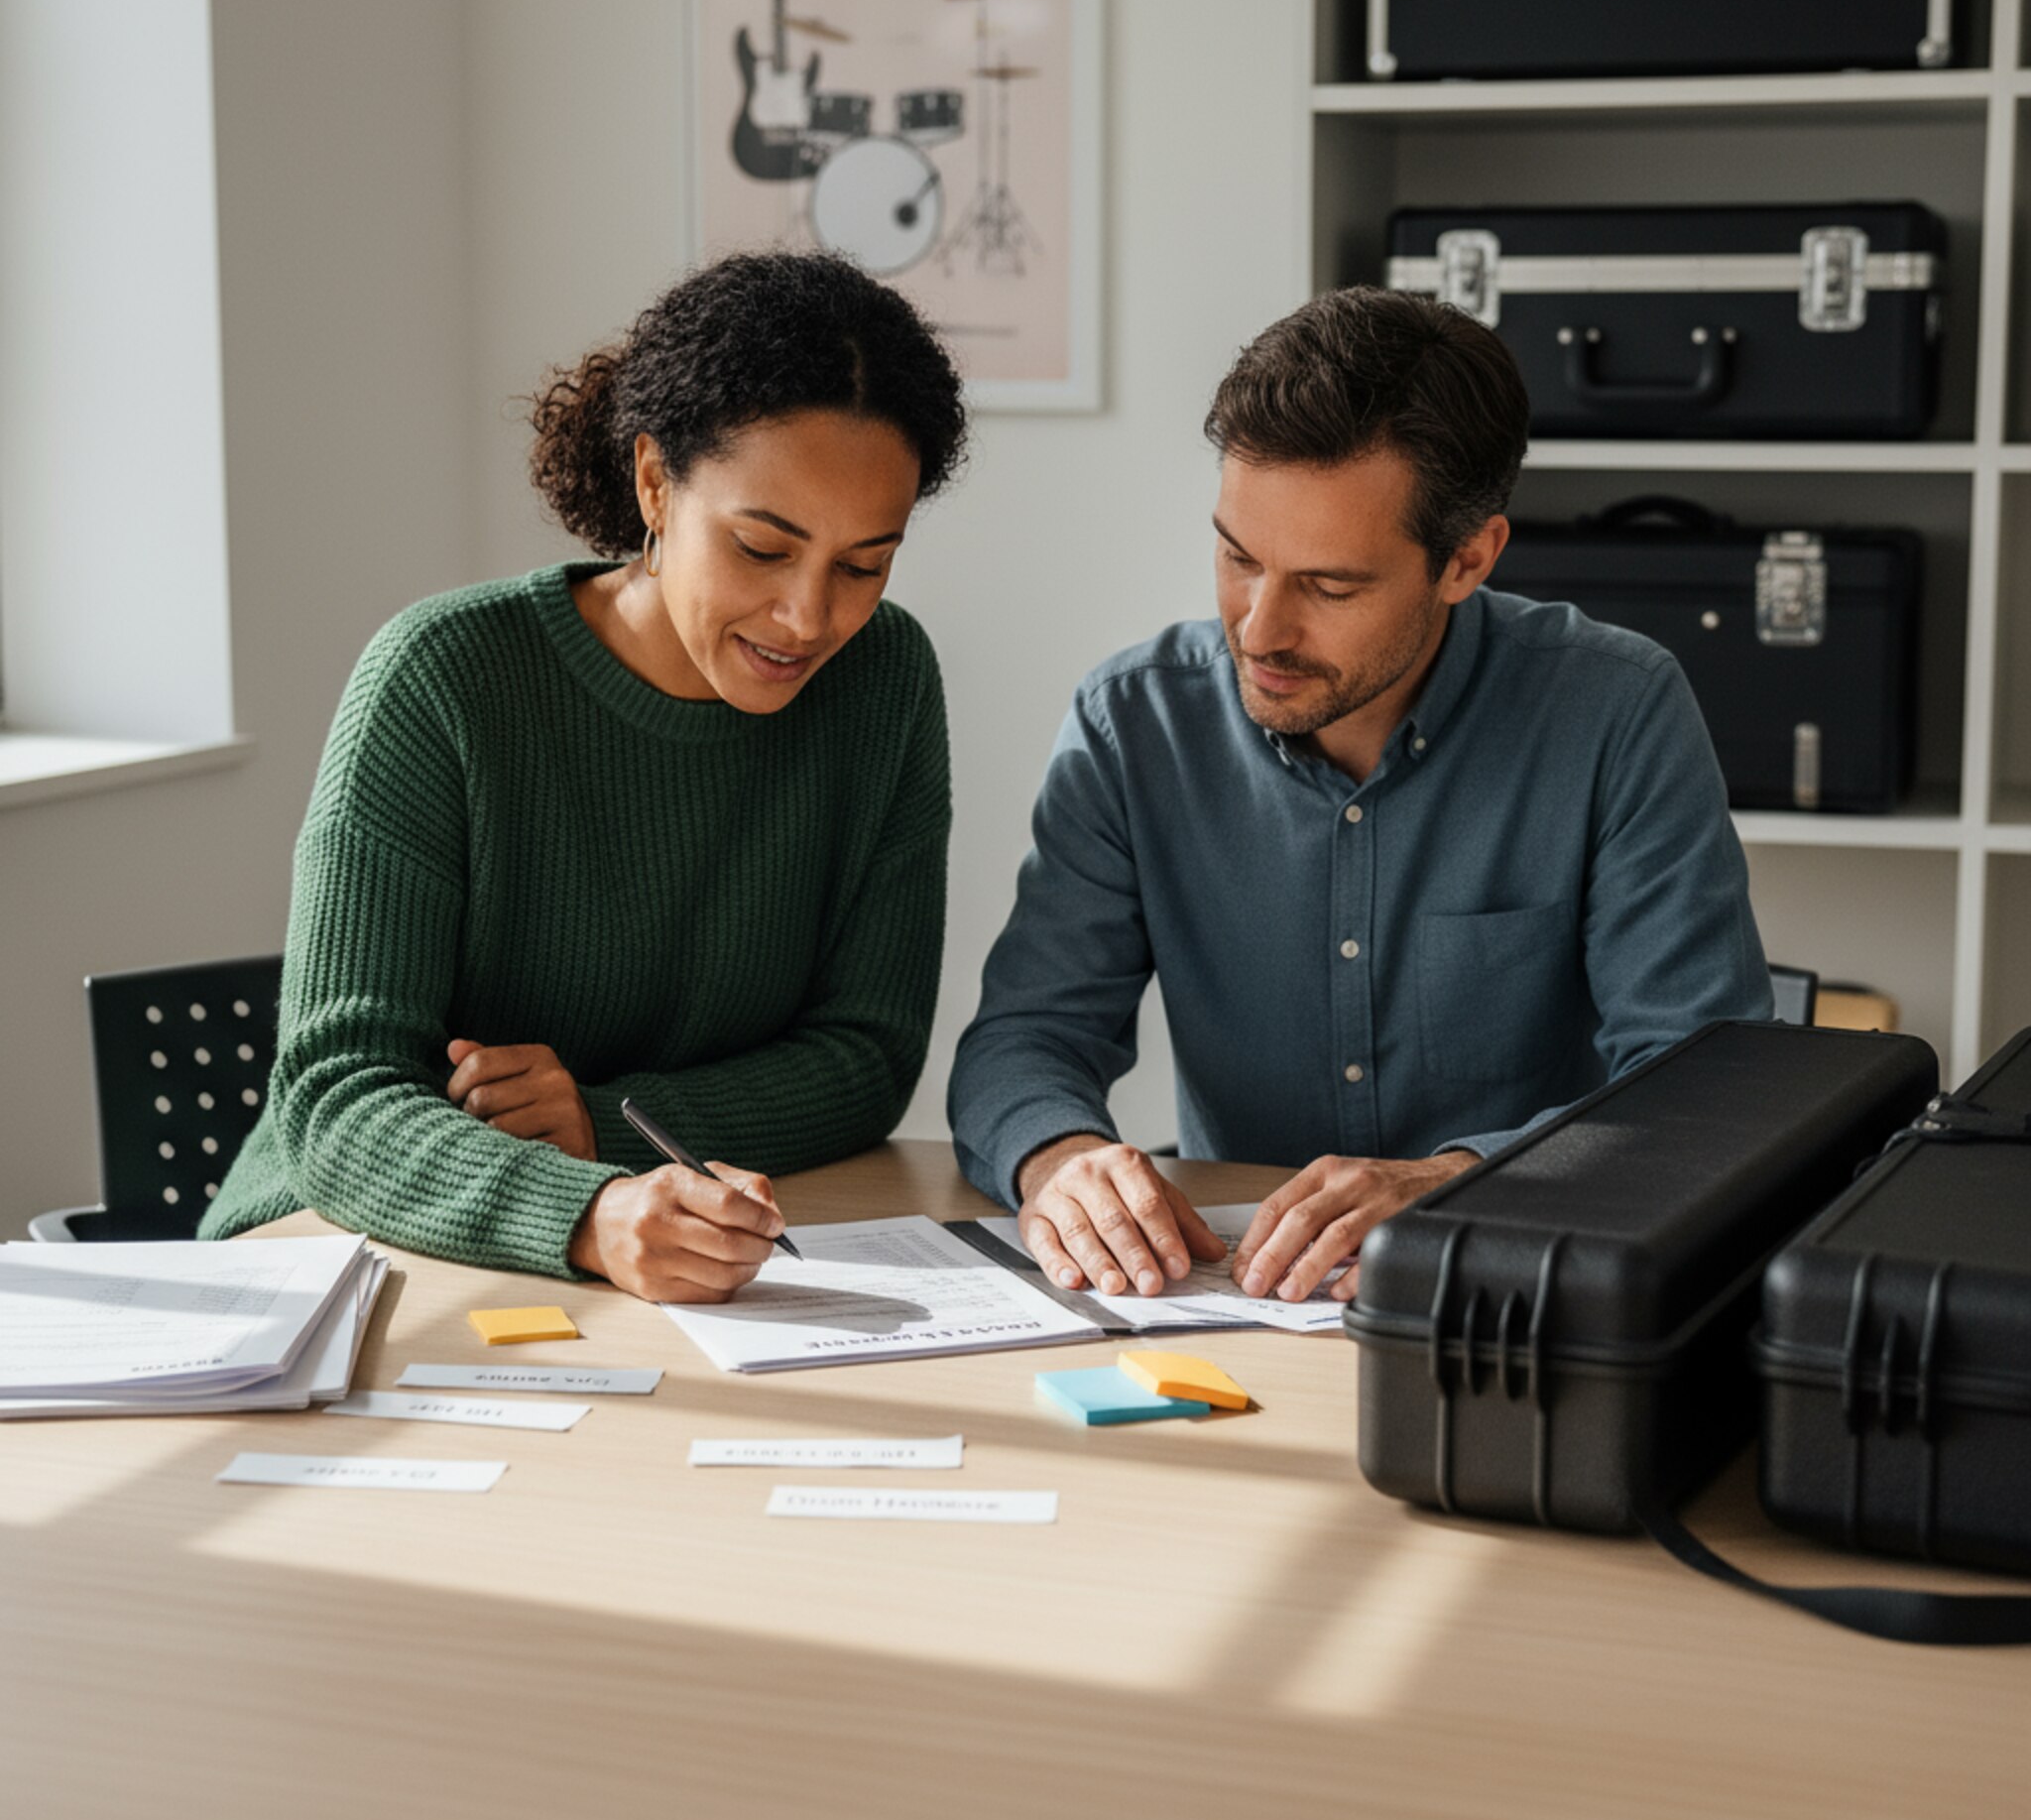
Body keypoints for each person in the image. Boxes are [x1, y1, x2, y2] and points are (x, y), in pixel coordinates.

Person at [948, 285, 1769, 1309]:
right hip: (1236, 1314)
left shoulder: (1615, 712)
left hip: (1522, 1295)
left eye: (1328, 587)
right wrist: (1058, 1158)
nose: (1257, 628)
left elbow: (1703, 1087)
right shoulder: (1134, 724)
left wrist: (1455, 1178)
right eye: (1237, 557)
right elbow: (1021, 1041)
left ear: (1466, 558)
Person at [203, 249, 967, 1303]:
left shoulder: (885, 683)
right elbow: (336, 1098)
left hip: (653, 1249)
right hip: (342, 1246)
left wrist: (600, 1125)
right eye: (759, 546)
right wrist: (584, 1208)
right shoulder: (445, 677)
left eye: (862, 565)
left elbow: (865, 1057)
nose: (807, 617)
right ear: (654, 482)